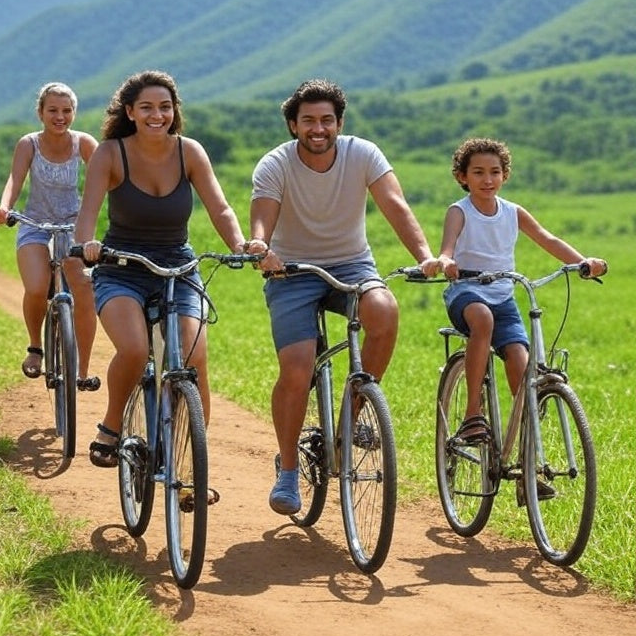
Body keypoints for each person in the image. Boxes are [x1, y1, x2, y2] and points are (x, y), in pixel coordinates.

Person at [248, 78, 440, 515]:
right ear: (293, 125)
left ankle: (350, 419)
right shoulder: (275, 164)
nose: (319, 129)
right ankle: (289, 470)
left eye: (327, 120)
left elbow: (395, 206)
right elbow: (262, 221)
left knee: (384, 311)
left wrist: (426, 256)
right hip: (292, 272)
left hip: (351, 265)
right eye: (309, 121)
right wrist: (260, 247)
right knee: (296, 371)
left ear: (339, 123)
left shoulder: (363, 153)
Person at [74, 70, 249, 470]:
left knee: (194, 359)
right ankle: (113, 423)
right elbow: (89, 212)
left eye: (165, 107)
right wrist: (86, 246)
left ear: (175, 112)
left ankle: (188, 465)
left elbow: (220, 208)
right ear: (131, 112)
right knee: (135, 349)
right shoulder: (110, 153)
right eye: (148, 107)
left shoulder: (190, 152)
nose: (158, 115)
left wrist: (240, 245)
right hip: (121, 267)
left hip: (178, 266)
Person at [436, 137, 607, 481]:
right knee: (481, 319)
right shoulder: (460, 211)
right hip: (466, 293)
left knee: (522, 363)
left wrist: (582, 262)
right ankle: (473, 414)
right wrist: (445, 261)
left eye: (495, 172)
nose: (488, 179)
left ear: (505, 175)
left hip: (504, 299)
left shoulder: (513, 212)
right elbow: (448, 247)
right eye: (479, 172)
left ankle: (524, 457)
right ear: (462, 176)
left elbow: (547, 239)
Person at [0, 81, 99, 389]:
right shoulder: (29, 144)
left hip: (73, 225)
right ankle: (35, 347)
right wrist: (4, 207)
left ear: (74, 113)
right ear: (41, 112)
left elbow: (107, 177)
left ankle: (83, 372)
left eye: (67, 110)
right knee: (37, 287)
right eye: (53, 110)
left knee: (84, 289)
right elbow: (15, 179)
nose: (60, 116)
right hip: (34, 223)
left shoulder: (85, 143)